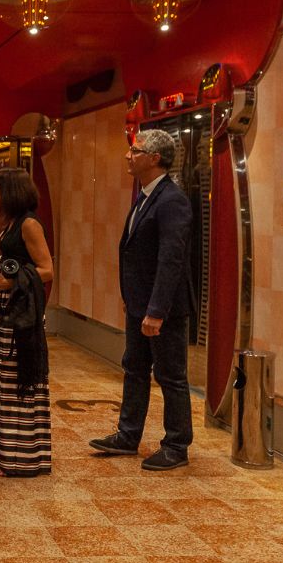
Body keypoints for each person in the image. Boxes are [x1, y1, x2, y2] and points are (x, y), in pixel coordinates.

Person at [89, 128, 195, 471]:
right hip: (139, 305)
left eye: (135, 151)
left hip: (162, 310)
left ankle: (176, 446)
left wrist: (156, 310)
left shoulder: (172, 200)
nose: (128, 155)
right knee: (134, 368)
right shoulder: (146, 195)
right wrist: (132, 298)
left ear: (154, 158)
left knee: (170, 376)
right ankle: (128, 435)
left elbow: (171, 260)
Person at [0, 168, 54, 477]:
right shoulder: (10, 222)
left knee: (17, 381)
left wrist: (12, 281)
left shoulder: (29, 224)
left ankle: (19, 457)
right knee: (0, 380)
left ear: (9, 191)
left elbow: (47, 269)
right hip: (3, 309)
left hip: (21, 312)